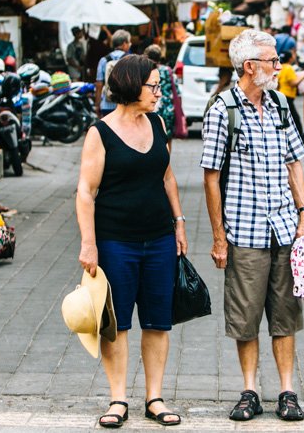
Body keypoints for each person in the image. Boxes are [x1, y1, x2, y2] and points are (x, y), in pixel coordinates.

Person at [201, 29, 304, 423]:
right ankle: (249, 390)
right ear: (250, 67)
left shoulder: (282, 105)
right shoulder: (222, 110)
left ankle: (287, 391)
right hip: (244, 233)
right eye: (272, 61)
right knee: (245, 317)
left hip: (284, 228)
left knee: (285, 315)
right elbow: (211, 176)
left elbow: (294, 162)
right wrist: (219, 237)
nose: (279, 67)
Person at [75, 54, 187, 427]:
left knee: (158, 322)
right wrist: (88, 243)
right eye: (153, 85)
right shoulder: (100, 132)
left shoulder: (157, 123)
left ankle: (154, 398)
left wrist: (179, 223)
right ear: (131, 85)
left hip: (158, 238)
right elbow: (86, 192)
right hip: (115, 241)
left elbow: (167, 178)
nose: (159, 92)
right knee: (117, 322)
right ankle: (118, 399)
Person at [143, 44, 177, 148]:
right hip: (168, 108)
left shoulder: (146, 71)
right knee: (167, 136)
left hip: (152, 106)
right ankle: (166, 159)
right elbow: (176, 90)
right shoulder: (168, 70)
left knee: (151, 134)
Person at [95, 29, 132, 119]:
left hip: (107, 105)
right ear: (124, 44)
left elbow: (99, 84)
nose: (130, 44)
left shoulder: (104, 60)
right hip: (125, 106)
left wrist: (97, 104)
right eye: (129, 42)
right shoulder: (131, 60)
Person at [276, 50, 304, 148]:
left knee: (286, 118)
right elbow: (293, 83)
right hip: (287, 97)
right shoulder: (289, 68)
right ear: (290, 58)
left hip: (281, 95)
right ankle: (299, 142)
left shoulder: (280, 68)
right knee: (296, 120)